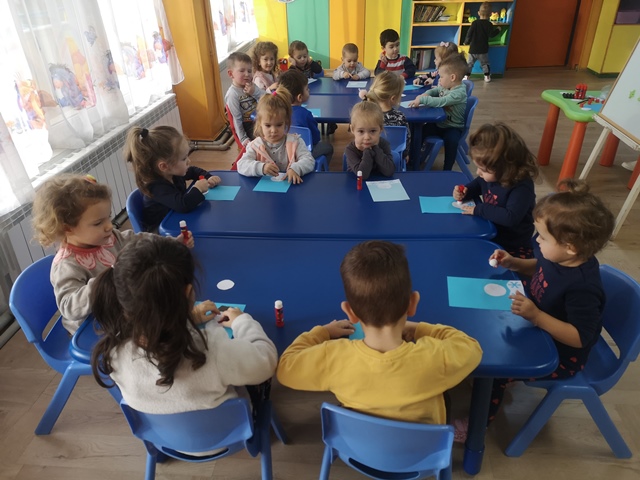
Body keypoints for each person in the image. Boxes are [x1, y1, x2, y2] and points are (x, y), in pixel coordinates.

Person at [277, 240, 482, 425]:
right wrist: (419, 328)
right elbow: (472, 348)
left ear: (350, 312)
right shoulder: (436, 358)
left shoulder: (333, 358)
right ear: (413, 304)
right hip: (423, 450)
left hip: (358, 447)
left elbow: (286, 368)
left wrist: (322, 332)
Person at [90, 235, 278, 419]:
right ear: (188, 291)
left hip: (161, 436)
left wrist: (189, 318)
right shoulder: (212, 351)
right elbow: (267, 361)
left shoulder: (113, 353)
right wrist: (241, 322)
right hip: (229, 432)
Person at [485, 179, 615, 424]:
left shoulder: (583, 287)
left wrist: (537, 317)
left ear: (570, 247)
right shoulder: (559, 257)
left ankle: (480, 423)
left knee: (496, 370)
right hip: (538, 328)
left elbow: (580, 337)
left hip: (561, 355)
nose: (536, 241)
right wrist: (514, 263)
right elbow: (540, 267)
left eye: (543, 237)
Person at [31, 174, 192, 335]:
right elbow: (69, 307)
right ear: (68, 228)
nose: (109, 226)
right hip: (94, 326)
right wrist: (107, 279)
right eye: (98, 223)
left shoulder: (108, 237)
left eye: (108, 217)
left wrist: (171, 243)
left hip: (121, 308)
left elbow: (139, 240)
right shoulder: (66, 265)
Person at [453, 123, 538, 258]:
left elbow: (510, 217)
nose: (478, 172)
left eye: (483, 170)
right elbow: (478, 184)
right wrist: (466, 192)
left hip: (513, 246)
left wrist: (480, 209)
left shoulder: (522, 187)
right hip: (490, 233)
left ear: (506, 168)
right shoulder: (491, 177)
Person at [124, 125, 222, 232]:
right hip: (160, 233)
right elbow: (183, 205)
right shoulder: (156, 188)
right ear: (164, 166)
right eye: (183, 159)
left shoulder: (173, 172)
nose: (188, 161)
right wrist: (198, 189)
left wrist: (209, 177)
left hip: (176, 219)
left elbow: (193, 171)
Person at [236, 87, 315, 184]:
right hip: (265, 190)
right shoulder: (255, 146)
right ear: (260, 124)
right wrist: (261, 167)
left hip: (291, 188)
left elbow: (309, 160)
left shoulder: (295, 142)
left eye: (279, 125)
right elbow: (241, 165)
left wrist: (295, 169)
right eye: (268, 125)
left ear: (286, 122)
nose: (273, 131)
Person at [408, 54, 468, 171]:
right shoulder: (447, 86)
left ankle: (447, 169)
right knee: (419, 132)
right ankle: (413, 158)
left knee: (451, 142)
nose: (439, 79)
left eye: (441, 77)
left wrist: (423, 99)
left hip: (453, 127)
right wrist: (426, 94)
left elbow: (441, 101)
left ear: (452, 77)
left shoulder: (459, 92)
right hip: (439, 124)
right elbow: (436, 90)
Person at [278, 69, 334, 165]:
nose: (309, 90)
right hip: (303, 153)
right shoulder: (305, 114)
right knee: (328, 148)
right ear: (300, 97)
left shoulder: (277, 112)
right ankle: (317, 168)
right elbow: (315, 138)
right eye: (307, 89)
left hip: (283, 153)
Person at [359, 71, 410, 162]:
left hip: (367, 159)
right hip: (393, 160)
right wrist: (405, 155)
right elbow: (406, 141)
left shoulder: (365, 114)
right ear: (393, 98)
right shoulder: (400, 117)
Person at [344, 101, 395, 180]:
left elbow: (389, 171)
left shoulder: (384, 144)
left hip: (379, 184)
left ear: (380, 129)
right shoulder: (350, 149)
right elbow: (362, 175)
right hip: (356, 185)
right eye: (361, 131)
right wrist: (368, 151)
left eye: (373, 131)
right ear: (352, 129)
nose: (367, 137)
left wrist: (376, 149)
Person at [225, 52, 266, 146]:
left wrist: (254, 92)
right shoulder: (232, 94)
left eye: (249, 71)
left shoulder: (251, 85)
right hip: (249, 125)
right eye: (242, 71)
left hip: (261, 119)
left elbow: (267, 98)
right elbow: (237, 119)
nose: (247, 74)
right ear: (231, 74)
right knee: (269, 137)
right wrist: (243, 138)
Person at [464, 2, 501, 83]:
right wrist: (498, 30)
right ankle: (487, 76)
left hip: (473, 49)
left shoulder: (474, 23)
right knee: (485, 64)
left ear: (478, 13)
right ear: (490, 14)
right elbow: (491, 35)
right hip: (483, 49)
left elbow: (469, 33)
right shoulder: (489, 24)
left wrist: (466, 42)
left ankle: (467, 76)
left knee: (469, 63)